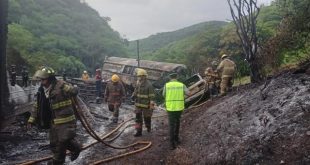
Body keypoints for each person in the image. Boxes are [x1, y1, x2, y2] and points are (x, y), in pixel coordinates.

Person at [27, 67, 82, 165]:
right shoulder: (41, 90)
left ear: (50, 78)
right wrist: (32, 119)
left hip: (66, 120)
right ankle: (76, 148)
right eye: (41, 79)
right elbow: (37, 105)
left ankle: (57, 162)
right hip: (53, 121)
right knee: (54, 143)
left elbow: (74, 91)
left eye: (43, 79)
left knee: (61, 142)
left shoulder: (61, 85)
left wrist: (73, 87)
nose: (42, 82)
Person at [163, 73, 190, 150]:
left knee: (171, 125)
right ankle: (177, 139)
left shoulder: (166, 85)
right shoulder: (181, 85)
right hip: (179, 107)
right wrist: (182, 96)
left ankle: (172, 144)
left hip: (170, 108)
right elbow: (189, 93)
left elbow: (163, 95)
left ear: (170, 77)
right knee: (177, 122)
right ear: (177, 77)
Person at [132, 69, 155, 137]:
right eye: (139, 76)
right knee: (137, 119)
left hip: (146, 106)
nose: (139, 78)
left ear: (145, 77)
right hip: (138, 105)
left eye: (141, 76)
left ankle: (148, 127)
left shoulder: (149, 85)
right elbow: (135, 91)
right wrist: (133, 96)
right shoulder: (138, 83)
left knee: (147, 118)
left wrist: (151, 107)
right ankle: (138, 131)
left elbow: (152, 97)